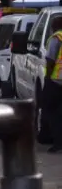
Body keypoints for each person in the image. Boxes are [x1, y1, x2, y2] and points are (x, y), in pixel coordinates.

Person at [43, 20, 62, 152]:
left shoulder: (56, 38)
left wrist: (47, 79)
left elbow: (50, 60)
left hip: (57, 81)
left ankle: (58, 144)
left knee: (54, 113)